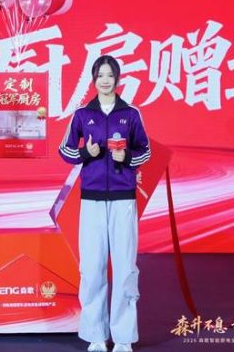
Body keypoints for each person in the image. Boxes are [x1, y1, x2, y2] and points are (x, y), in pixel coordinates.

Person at [59, 55, 151, 352]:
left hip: (123, 200)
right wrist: (86, 152)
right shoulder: (82, 115)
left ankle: (123, 338)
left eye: (110, 75)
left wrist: (128, 158)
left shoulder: (131, 114)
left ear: (118, 79)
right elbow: (65, 151)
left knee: (125, 269)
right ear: (94, 79)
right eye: (100, 75)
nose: (105, 80)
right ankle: (96, 335)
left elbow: (145, 151)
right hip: (92, 201)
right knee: (92, 268)